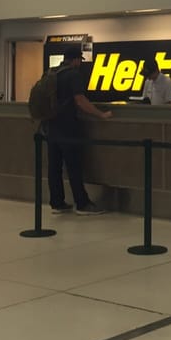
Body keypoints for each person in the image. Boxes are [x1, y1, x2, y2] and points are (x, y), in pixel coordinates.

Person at [46, 45, 111, 215]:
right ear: (75, 60)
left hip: (51, 126)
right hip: (68, 127)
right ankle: (82, 203)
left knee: (54, 167)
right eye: (79, 60)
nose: (80, 64)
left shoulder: (52, 73)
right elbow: (80, 100)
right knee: (74, 165)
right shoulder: (73, 75)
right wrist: (101, 114)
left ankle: (57, 202)